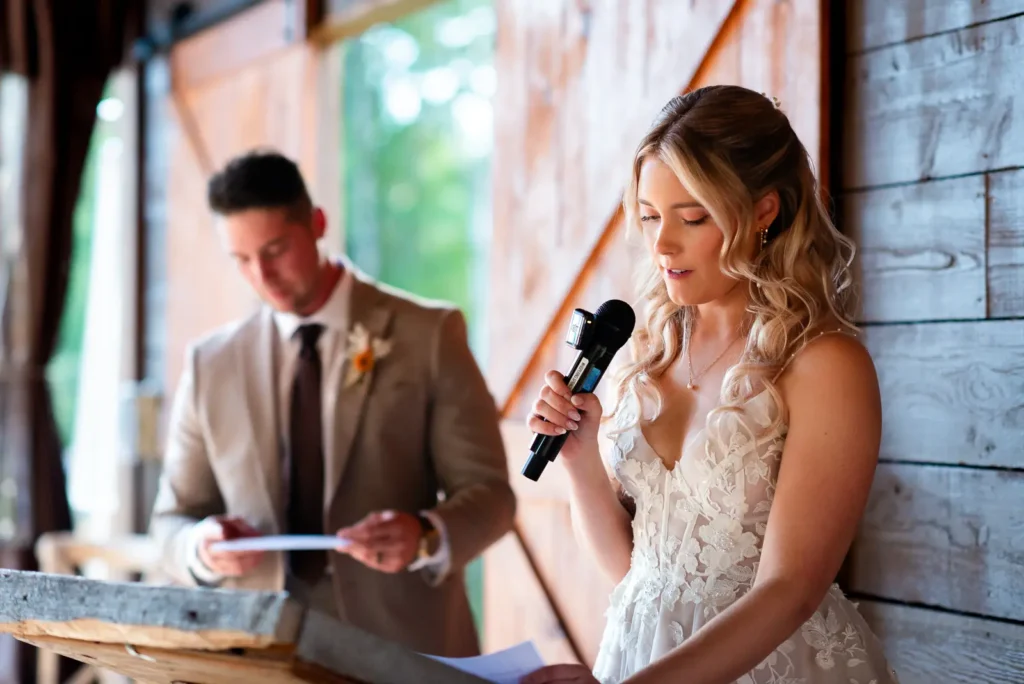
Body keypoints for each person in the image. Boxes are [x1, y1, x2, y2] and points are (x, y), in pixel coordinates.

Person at [520, 86, 899, 684]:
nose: (661, 244)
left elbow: (791, 589)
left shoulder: (825, 364)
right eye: (648, 216)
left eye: (691, 217)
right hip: (639, 656)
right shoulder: (646, 353)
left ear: (764, 212)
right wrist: (579, 459)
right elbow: (637, 572)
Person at [149, 150, 515, 658]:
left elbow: (493, 497)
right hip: (254, 653)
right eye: (242, 259)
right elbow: (171, 519)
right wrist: (202, 548)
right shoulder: (211, 363)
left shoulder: (429, 334)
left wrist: (427, 536)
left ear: (317, 224)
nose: (262, 276)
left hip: (402, 649)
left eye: (275, 250)